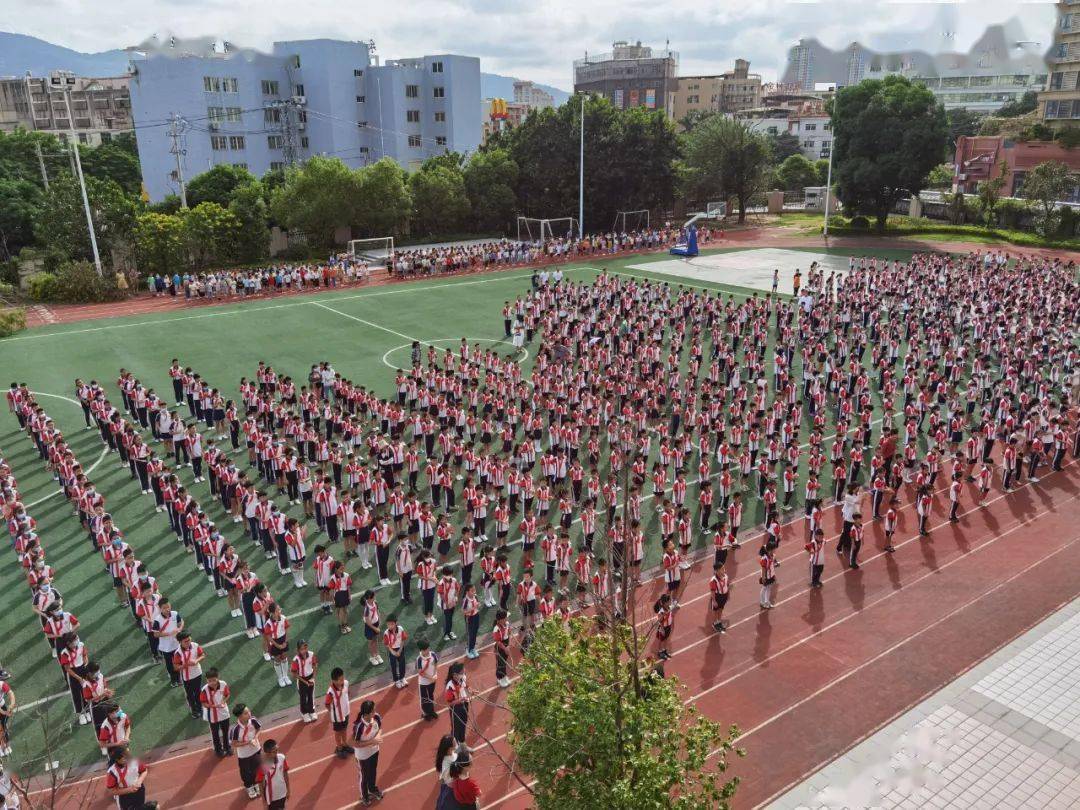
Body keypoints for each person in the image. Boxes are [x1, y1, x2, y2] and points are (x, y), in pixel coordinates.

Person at [352, 699, 384, 806]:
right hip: (363, 756)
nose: (375, 712)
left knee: (373, 771)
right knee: (364, 776)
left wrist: (378, 736)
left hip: (374, 751)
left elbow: (380, 729)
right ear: (366, 713)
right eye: (373, 711)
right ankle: (364, 796)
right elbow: (355, 743)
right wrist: (372, 741)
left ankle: (372, 789)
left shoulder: (377, 717)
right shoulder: (359, 726)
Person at [229, 703, 263, 799]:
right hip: (244, 755)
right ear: (239, 716)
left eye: (248, 711)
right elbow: (234, 744)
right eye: (246, 713)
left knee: (257, 768)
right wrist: (248, 743)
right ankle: (249, 787)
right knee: (246, 772)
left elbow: (259, 729)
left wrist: (255, 738)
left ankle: (256, 783)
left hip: (256, 749)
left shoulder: (253, 720)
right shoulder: (235, 729)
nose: (249, 713)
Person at [199, 668, 232, 757]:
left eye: (214, 680)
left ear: (218, 677)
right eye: (209, 681)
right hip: (212, 715)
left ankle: (227, 747)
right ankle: (218, 750)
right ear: (206, 680)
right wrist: (213, 706)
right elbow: (203, 703)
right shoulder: (204, 690)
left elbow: (227, 694)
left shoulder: (223, 684)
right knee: (215, 733)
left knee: (225, 731)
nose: (212, 682)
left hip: (224, 712)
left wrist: (223, 701)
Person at [104, 746, 150, 810]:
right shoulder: (112, 772)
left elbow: (144, 771)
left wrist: (139, 781)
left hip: (139, 791)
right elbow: (111, 790)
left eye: (127, 757)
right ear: (117, 760)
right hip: (124, 797)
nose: (127, 759)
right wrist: (129, 789)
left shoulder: (135, 762)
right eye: (124, 758)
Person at [324, 667, 352, 757]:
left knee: (344, 729)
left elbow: (348, 693)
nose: (343, 680)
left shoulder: (346, 683)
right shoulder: (331, 692)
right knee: (338, 731)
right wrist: (333, 712)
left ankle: (344, 744)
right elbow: (327, 704)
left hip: (346, 712)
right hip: (337, 716)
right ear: (334, 681)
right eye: (340, 679)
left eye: (343, 678)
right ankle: (339, 747)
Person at [290, 640, 318, 723]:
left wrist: (313, 677)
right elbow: (294, 674)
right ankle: (304, 713)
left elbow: (315, 665)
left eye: (305, 648)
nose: (303, 651)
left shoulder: (311, 654)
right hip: (301, 679)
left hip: (310, 677)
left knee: (311, 695)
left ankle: (311, 711)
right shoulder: (296, 660)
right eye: (301, 649)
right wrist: (304, 682)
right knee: (303, 697)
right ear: (298, 650)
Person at [256, 739, 289, 810]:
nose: (277, 753)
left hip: (282, 792)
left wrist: (288, 789)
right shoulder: (264, 766)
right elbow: (260, 783)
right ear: (267, 753)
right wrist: (263, 800)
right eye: (274, 751)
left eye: (277, 750)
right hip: (271, 797)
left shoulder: (282, 758)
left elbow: (285, 773)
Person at [444, 662, 470, 751]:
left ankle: (463, 745)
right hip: (456, 709)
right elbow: (449, 703)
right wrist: (459, 700)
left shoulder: (463, 678)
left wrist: (472, 691)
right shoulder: (450, 686)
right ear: (455, 675)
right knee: (456, 729)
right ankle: (455, 748)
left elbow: (466, 686)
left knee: (463, 725)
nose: (464, 673)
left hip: (465, 705)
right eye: (462, 672)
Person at [415, 639, 439, 721]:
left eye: (428, 648)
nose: (427, 651)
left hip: (432, 680)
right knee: (424, 698)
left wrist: (435, 674)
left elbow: (436, 664)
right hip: (423, 682)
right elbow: (420, 672)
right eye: (425, 650)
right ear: (421, 650)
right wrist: (430, 678)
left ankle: (431, 711)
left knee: (431, 695)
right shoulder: (419, 659)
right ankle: (425, 713)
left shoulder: (433, 655)